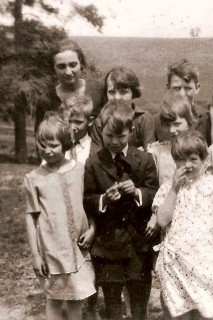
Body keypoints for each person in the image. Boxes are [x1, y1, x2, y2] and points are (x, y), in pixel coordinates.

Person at [153, 131, 213, 319]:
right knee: (181, 311)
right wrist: (174, 190)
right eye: (181, 160)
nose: (187, 165)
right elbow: (162, 220)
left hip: (208, 258)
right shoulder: (167, 189)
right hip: (178, 262)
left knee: (211, 310)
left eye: (193, 159)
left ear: (205, 160)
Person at [83, 101, 159, 320]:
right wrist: (103, 199)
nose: (115, 142)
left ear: (131, 131)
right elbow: (87, 198)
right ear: (100, 130)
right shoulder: (93, 163)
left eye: (121, 136)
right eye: (109, 136)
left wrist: (137, 193)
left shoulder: (144, 160)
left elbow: (155, 193)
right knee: (113, 301)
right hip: (108, 245)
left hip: (139, 244)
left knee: (139, 299)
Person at [25, 113, 96, 320]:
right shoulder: (34, 178)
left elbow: (88, 204)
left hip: (77, 248)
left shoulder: (80, 170)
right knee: (54, 299)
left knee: (75, 297)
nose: (47, 150)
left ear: (65, 144)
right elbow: (31, 216)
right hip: (52, 249)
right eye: (43, 145)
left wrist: (93, 228)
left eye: (53, 145)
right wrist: (35, 255)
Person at [35, 39, 105, 132]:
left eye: (73, 65)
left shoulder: (99, 89)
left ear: (81, 64)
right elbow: (41, 139)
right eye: (61, 66)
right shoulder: (46, 100)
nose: (68, 72)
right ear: (53, 68)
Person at [135, 59, 211, 145]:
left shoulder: (207, 119)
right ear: (168, 87)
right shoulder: (155, 120)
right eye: (176, 88)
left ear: (197, 88)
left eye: (187, 88)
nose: (182, 94)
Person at [90, 66, 147, 150]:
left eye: (123, 92)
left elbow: (150, 152)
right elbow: (96, 157)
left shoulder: (143, 119)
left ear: (133, 93)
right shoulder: (99, 122)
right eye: (111, 92)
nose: (117, 97)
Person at [147, 94, 196, 185]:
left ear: (189, 122)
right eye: (167, 125)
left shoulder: (198, 150)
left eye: (177, 124)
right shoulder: (157, 152)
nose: (171, 130)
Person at [64, 95, 96, 164]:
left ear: (90, 121)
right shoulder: (60, 144)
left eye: (78, 122)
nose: (72, 127)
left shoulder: (93, 148)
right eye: (69, 121)